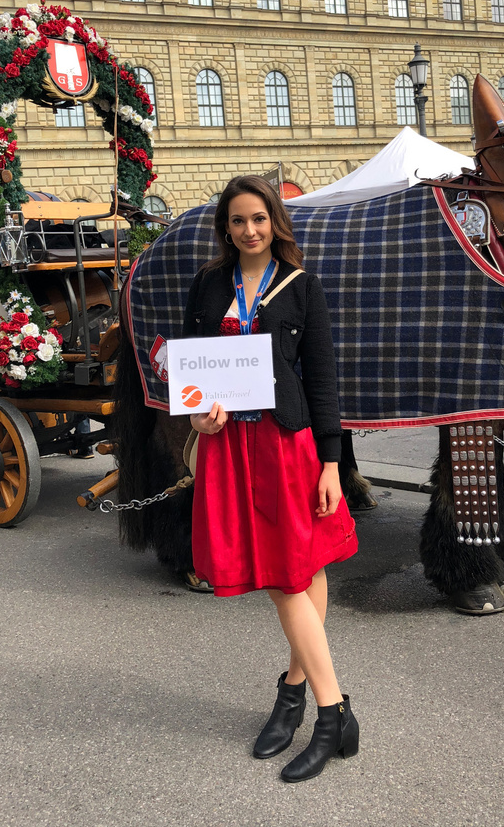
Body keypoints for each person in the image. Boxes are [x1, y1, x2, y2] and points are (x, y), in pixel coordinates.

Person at [183, 175, 359, 783]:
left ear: (274, 221)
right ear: (225, 228)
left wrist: (333, 462)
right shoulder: (209, 285)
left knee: (296, 573)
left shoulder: (302, 287)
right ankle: (296, 695)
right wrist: (198, 415)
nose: (249, 230)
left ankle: (326, 712)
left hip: (288, 445)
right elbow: (195, 368)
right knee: (296, 575)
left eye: (259, 218)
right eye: (238, 220)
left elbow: (323, 377)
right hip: (230, 446)